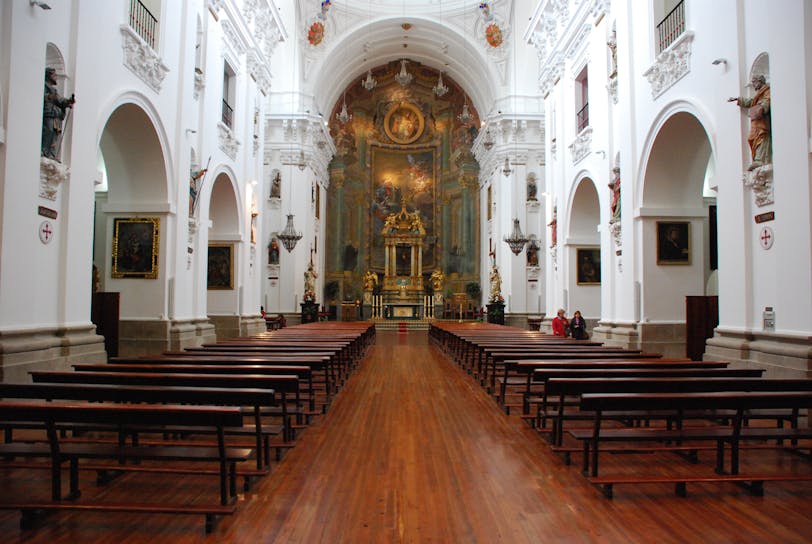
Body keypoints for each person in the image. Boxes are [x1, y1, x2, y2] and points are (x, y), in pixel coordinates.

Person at [728, 74, 771, 170]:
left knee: (761, 137)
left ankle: (760, 159)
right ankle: (757, 158)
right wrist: (738, 99)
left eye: (754, 82)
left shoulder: (767, 91)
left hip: (763, 121)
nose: (753, 84)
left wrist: (761, 107)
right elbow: (752, 102)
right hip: (756, 121)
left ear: (760, 81)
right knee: (752, 138)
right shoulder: (759, 94)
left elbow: (766, 102)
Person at [41, 67, 75, 160]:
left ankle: (51, 154)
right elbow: (43, 96)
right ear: (49, 76)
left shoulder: (54, 90)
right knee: (48, 131)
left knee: (55, 134)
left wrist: (68, 102)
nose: (56, 77)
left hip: (55, 115)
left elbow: (60, 100)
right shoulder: (43, 85)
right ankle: (44, 150)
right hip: (48, 113)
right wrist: (50, 97)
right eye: (54, 75)